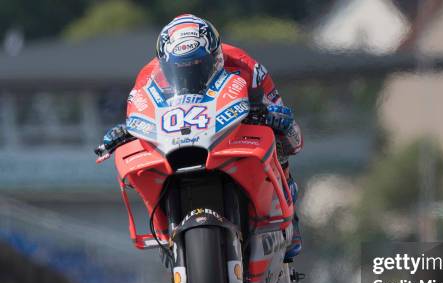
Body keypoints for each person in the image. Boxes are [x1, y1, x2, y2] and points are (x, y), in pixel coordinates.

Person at [97, 14, 302, 259]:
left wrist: (278, 119)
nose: (188, 76)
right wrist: (125, 132)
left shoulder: (248, 67)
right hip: (179, 141)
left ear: (215, 57)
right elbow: (140, 114)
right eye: (179, 70)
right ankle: (167, 229)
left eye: (197, 66)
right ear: (165, 63)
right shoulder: (147, 76)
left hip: (232, 134)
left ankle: (289, 222)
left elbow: (294, 138)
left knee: (278, 144)